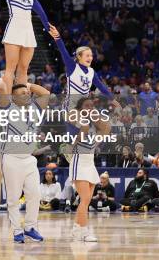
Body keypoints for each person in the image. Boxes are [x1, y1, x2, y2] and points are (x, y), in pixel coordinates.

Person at [0, 79, 48, 243]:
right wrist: (5, 80)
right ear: (13, 98)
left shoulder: (34, 108)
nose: (27, 95)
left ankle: (30, 227)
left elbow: (45, 94)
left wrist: (28, 85)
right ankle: (17, 231)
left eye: (27, 94)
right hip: (11, 158)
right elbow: (0, 85)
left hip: (29, 158)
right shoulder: (7, 108)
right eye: (22, 94)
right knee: (13, 198)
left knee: (35, 194)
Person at [66, 97, 111, 242]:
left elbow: (106, 127)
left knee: (86, 201)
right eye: (86, 105)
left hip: (90, 163)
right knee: (84, 200)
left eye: (92, 106)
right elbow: (81, 128)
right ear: (80, 107)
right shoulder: (74, 116)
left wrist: (93, 114)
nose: (90, 108)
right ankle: (84, 232)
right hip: (78, 162)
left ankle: (76, 229)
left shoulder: (93, 122)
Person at [48, 25, 118, 111]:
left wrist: (113, 99)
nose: (90, 58)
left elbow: (101, 87)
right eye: (87, 55)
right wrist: (57, 36)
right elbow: (63, 50)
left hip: (84, 106)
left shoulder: (91, 72)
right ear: (79, 57)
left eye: (91, 56)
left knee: (101, 122)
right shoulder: (72, 66)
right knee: (80, 120)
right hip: (71, 106)